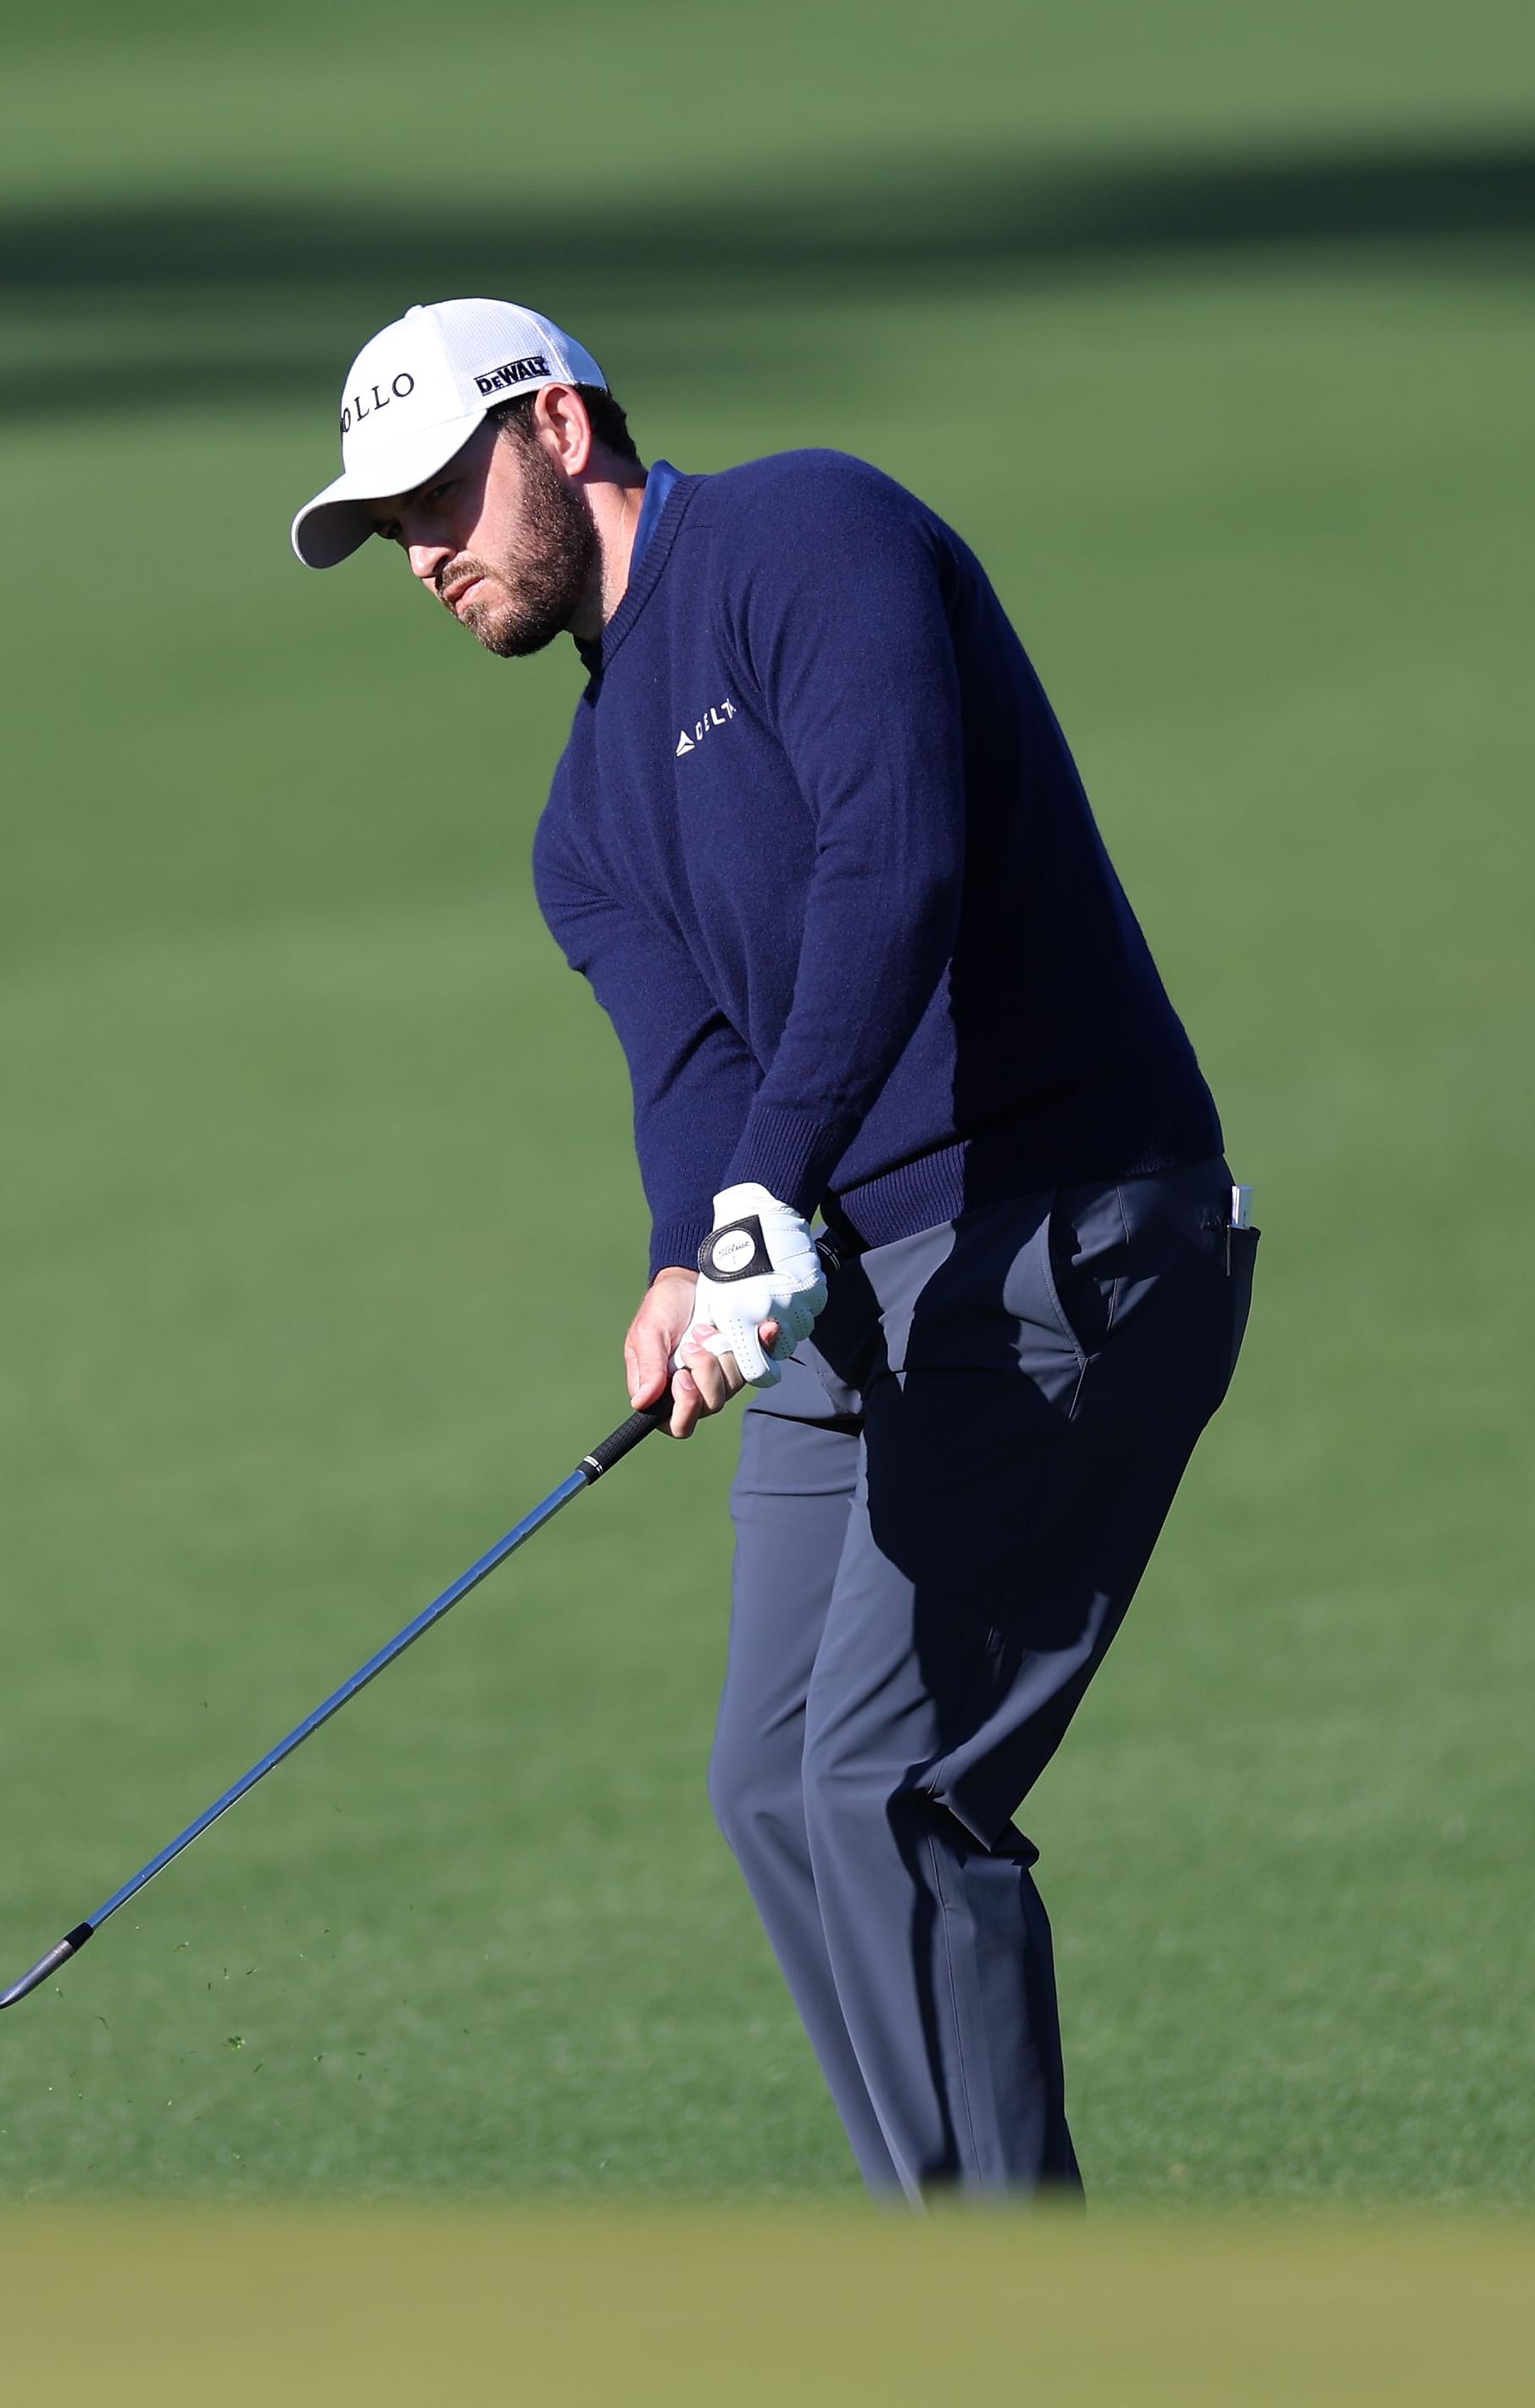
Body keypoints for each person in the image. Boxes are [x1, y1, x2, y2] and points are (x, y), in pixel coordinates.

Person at [288, 300, 1253, 2202]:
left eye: (437, 494)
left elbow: (896, 864)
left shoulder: (810, 536)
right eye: (386, 528)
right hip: (857, 1304)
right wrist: (684, 1256)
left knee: (881, 1786)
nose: (422, 553)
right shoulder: (581, 825)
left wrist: (762, 1197)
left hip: (1062, 1231)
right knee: (769, 1787)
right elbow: (699, 1080)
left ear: (557, 427)